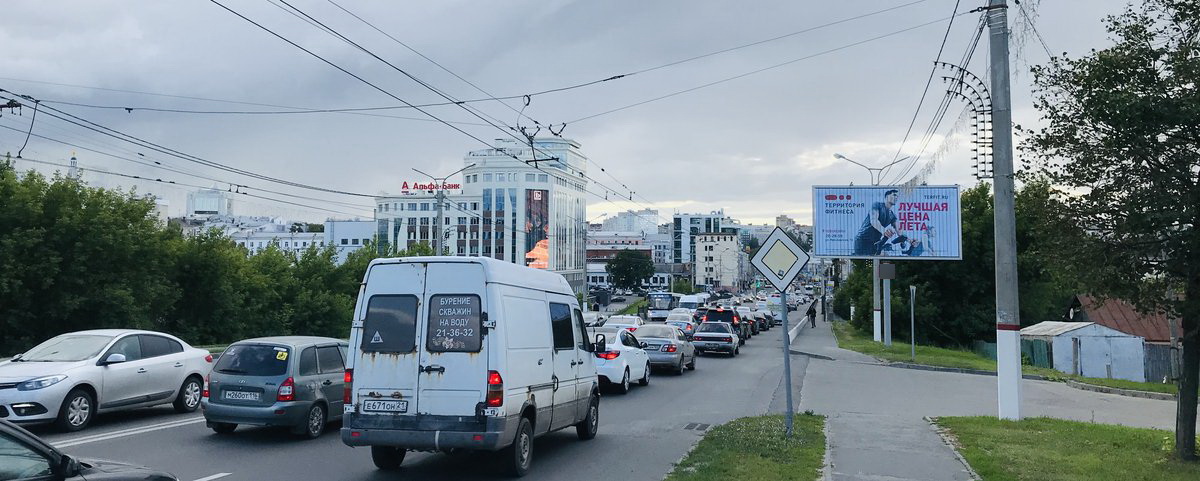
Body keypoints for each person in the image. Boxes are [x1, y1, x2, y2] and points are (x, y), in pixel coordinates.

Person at [853, 189, 900, 256]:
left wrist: (909, 240)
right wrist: (884, 231)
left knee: (885, 257)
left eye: (897, 196)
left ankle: (884, 266)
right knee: (866, 261)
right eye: (894, 195)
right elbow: (874, 221)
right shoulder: (877, 205)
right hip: (862, 240)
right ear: (886, 196)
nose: (896, 198)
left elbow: (899, 231)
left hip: (875, 242)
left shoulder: (892, 215)